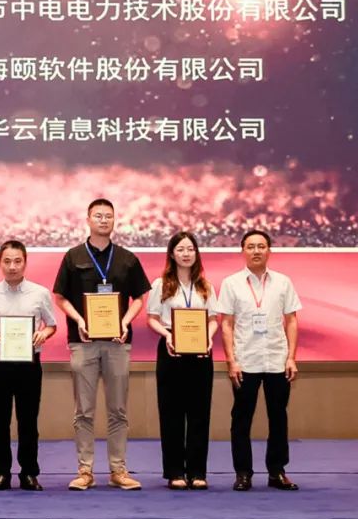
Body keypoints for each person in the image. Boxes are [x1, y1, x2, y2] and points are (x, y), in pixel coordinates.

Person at [52, 198, 150, 491]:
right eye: (98, 216)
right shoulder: (73, 257)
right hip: (83, 343)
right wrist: (79, 320)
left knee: (118, 410)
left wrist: (125, 322)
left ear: (114, 220)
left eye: (108, 216)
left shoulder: (127, 258)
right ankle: (85, 470)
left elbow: (139, 297)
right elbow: (60, 297)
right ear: (88, 220)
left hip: (118, 343)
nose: (104, 220)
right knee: (83, 410)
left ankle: (118, 470)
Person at [216, 229, 302, 492]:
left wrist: (291, 357)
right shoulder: (231, 283)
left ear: (269, 251)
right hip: (245, 361)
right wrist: (231, 360)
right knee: (241, 418)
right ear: (243, 250)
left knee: (279, 418)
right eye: (251, 246)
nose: (256, 251)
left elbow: (291, 320)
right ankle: (243, 473)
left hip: (277, 359)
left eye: (261, 246)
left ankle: (277, 472)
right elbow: (226, 324)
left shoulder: (283, 282)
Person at [0, 240, 56, 491]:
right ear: (0, 263)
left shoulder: (40, 293)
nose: (12, 266)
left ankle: (29, 473)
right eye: (7, 261)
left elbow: (51, 325)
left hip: (29, 364)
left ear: (25, 262)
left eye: (17, 261)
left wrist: (43, 334)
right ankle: (1, 473)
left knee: (28, 420)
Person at [145, 232, 218, 491]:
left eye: (190, 249)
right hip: (171, 350)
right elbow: (152, 318)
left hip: (200, 352)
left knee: (199, 413)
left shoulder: (205, 285)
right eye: (180, 249)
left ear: (196, 253)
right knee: (171, 413)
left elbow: (213, 319)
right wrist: (168, 335)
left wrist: (208, 338)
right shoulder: (161, 284)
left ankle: (197, 471)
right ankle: (175, 471)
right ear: (172, 254)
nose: (186, 254)